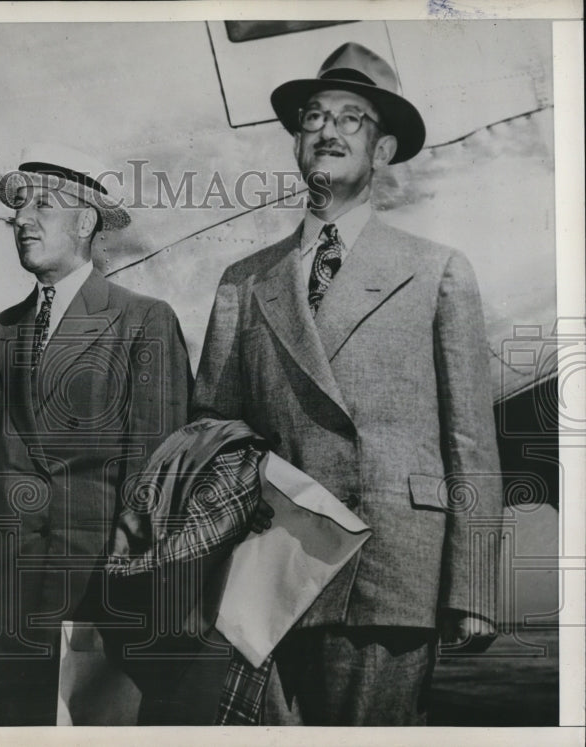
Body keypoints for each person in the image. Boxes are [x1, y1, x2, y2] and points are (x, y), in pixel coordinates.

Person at [191, 42, 502, 725]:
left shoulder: (437, 270)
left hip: (389, 565)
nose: (327, 130)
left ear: (383, 151)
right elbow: (211, 437)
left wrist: (472, 582)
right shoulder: (244, 281)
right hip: (270, 572)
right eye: (312, 117)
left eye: (351, 119)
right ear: (297, 145)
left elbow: (471, 442)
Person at [0, 143, 191, 725]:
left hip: (100, 598)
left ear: (86, 220)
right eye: (18, 206)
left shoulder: (144, 321)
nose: (21, 218)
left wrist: (146, 595)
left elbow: (157, 476)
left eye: (40, 203)